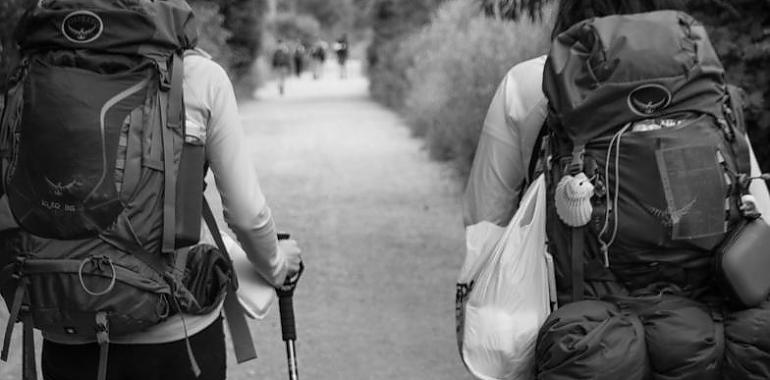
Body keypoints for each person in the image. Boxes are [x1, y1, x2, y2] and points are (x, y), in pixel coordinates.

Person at [463, 1, 770, 378]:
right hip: (708, 334)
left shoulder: (530, 82)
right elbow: (757, 208)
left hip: (585, 337)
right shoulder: (702, 86)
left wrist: (482, 318)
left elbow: (486, 220)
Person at [0, 47, 303, 380]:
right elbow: (247, 215)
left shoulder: (36, 72)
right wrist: (277, 265)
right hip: (175, 336)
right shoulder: (197, 75)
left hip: (67, 328)